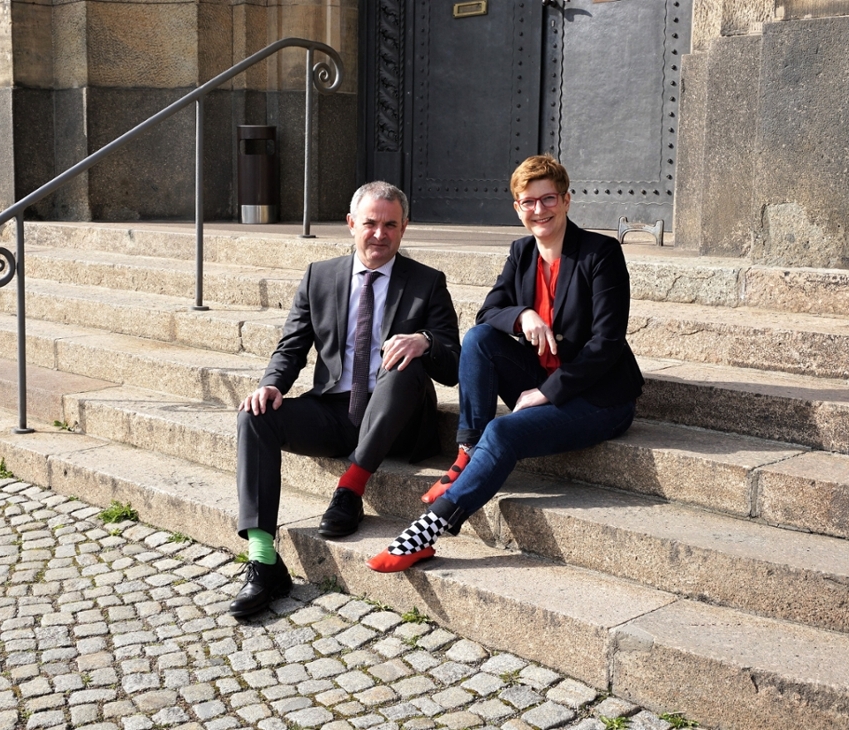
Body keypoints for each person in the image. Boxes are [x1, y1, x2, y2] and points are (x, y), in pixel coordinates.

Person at [367, 155, 644, 572]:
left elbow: (607, 344)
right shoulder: (521, 252)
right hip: (541, 376)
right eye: (528, 202)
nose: (539, 210)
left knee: (505, 430)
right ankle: (468, 450)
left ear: (566, 200)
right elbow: (487, 313)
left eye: (548, 199)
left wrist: (548, 391)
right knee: (480, 340)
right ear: (517, 208)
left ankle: (429, 528)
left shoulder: (599, 254)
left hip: (598, 397)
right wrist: (522, 316)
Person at [230, 181, 461, 615]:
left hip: (399, 419)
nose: (379, 234)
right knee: (254, 415)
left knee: (402, 364)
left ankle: (349, 491)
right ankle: (263, 562)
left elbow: (453, 365)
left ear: (404, 228)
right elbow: (292, 346)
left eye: (390, 225)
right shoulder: (320, 276)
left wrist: (425, 341)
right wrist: (272, 385)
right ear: (351, 224)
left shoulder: (427, 283)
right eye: (370, 223)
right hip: (335, 412)